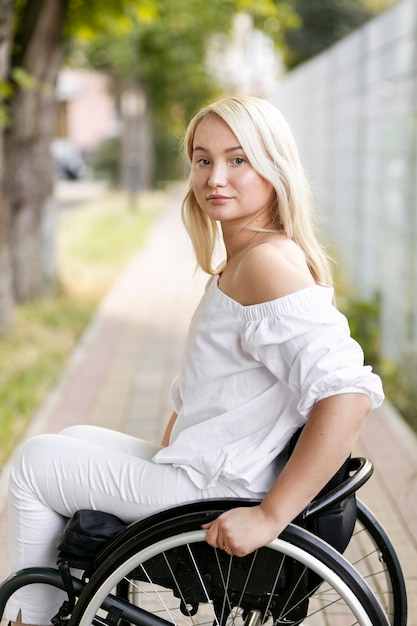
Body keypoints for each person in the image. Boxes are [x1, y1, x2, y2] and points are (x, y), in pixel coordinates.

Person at [6, 95, 384, 626]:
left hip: (223, 488)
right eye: (203, 160)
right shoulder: (250, 256)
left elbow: (347, 395)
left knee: (35, 463)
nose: (215, 178)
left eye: (238, 159)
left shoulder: (266, 265)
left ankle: (28, 620)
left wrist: (270, 517)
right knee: (73, 441)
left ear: (274, 168)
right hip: (210, 464)